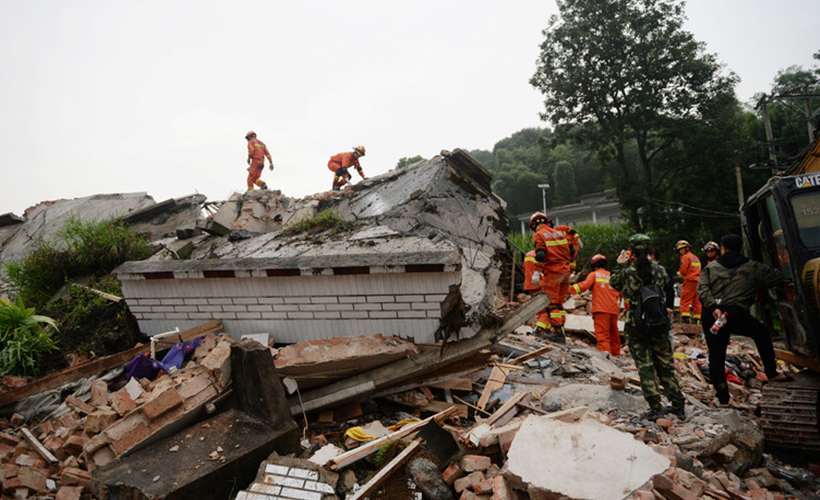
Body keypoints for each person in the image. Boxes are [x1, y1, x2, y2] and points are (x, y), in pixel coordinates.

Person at [697, 233, 789, 407]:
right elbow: (778, 276)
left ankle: (723, 398)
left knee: (716, 356)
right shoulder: (753, 267)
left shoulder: (711, 268)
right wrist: (755, 287)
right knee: (760, 332)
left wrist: (714, 307)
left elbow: (702, 291)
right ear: (739, 247)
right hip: (735, 314)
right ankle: (771, 372)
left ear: (723, 248)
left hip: (712, 314)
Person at [610, 234, 686, 419]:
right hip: (659, 322)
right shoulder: (660, 270)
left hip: (638, 324)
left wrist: (620, 264)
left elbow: (613, 282)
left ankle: (655, 407)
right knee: (665, 366)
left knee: (645, 367)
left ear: (632, 252)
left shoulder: (628, 272)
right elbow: (667, 285)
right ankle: (678, 405)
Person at [530, 211, 572, 343]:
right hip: (566, 273)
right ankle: (561, 332)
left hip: (553, 273)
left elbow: (540, 255)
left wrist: (536, 272)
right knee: (559, 304)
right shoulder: (560, 233)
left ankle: (559, 335)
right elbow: (572, 251)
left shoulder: (539, 235)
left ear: (533, 225)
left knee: (551, 304)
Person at [570, 254, 622, 356]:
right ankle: (616, 356)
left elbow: (583, 286)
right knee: (614, 335)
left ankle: (606, 359)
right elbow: (623, 292)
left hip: (601, 309)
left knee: (603, 336)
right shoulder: (612, 276)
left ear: (594, 265)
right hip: (613, 310)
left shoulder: (594, 275)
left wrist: (567, 290)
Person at [676, 240, 702, 324]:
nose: (680, 251)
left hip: (689, 281)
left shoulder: (685, 257)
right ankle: (697, 319)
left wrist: (679, 273)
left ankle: (686, 319)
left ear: (685, 249)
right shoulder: (695, 257)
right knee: (696, 301)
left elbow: (683, 270)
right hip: (698, 281)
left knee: (684, 300)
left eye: (681, 249)